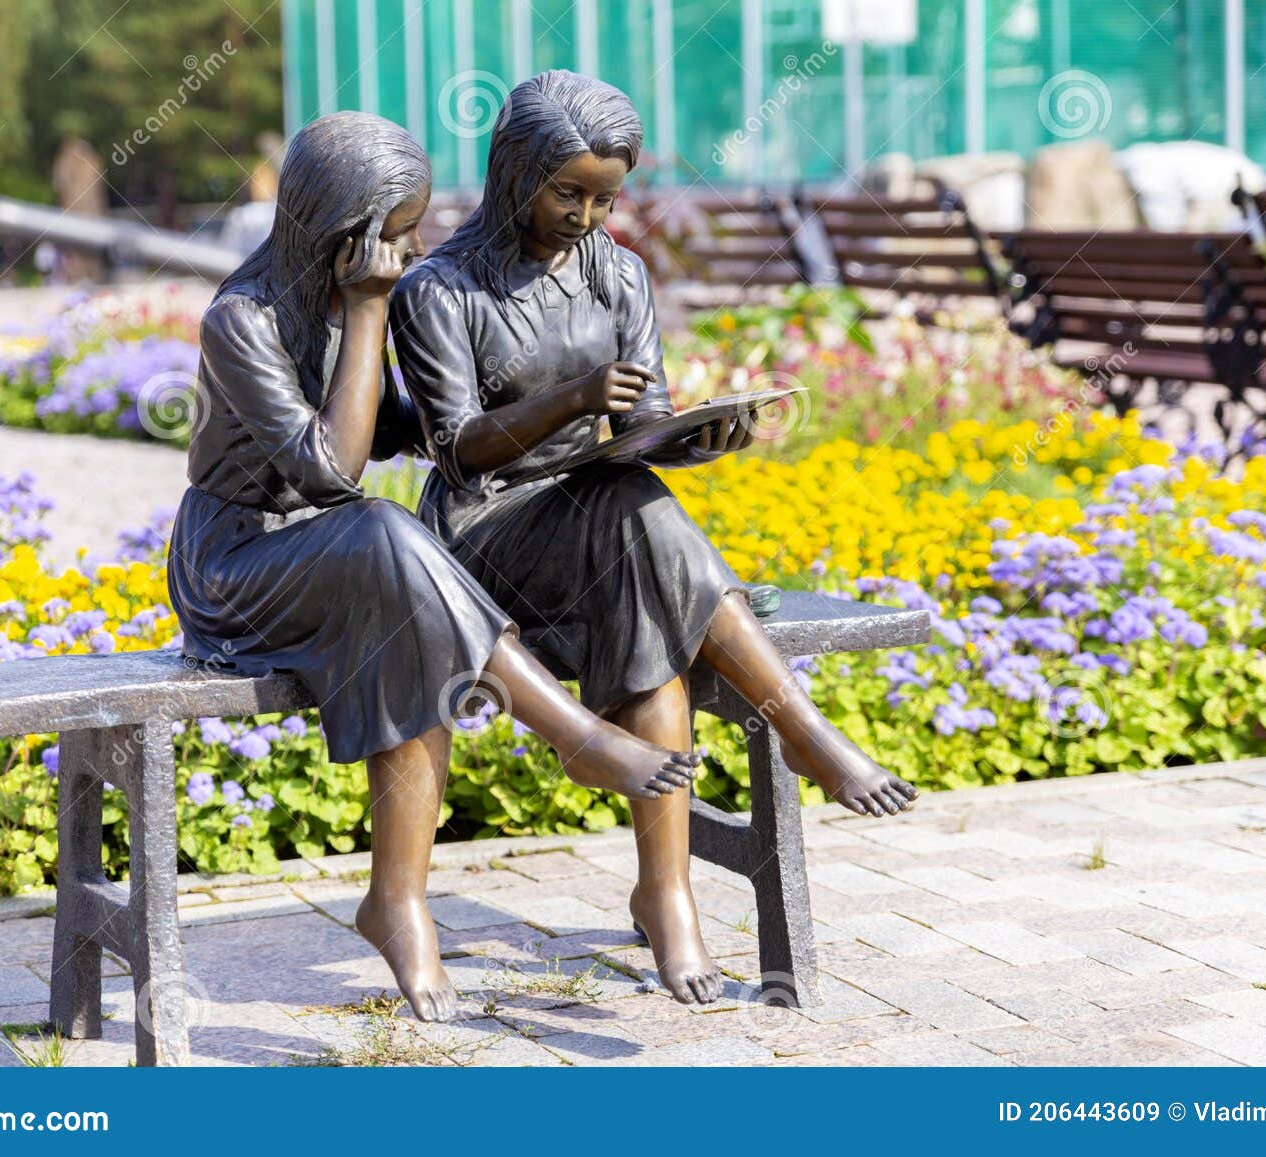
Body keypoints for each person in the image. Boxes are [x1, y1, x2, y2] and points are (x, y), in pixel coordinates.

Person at [390, 71, 918, 1006]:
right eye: (569, 193)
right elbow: (459, 448)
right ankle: (798, 731)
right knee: (636, 529)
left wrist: (700, 437)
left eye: (606, 195)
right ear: (515, 171)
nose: (588, 214)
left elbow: (652, 418)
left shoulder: (617, 273)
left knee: (643, 557)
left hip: (603, 515)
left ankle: (668, 890)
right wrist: (576, 400)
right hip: (484, 535)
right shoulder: (440, 288)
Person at [166, 111, 702, 1023]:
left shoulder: (338, 306)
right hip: (238, 567)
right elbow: (333, 472)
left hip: (341, 561)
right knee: (382, 528)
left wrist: (537, 420)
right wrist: (375, 309)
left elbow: (417, 434)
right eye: (399, 234)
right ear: (342, 230)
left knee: (403, 588)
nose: (413, 252)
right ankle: (572, 734)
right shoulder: (242, 320)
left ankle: (398, 899)